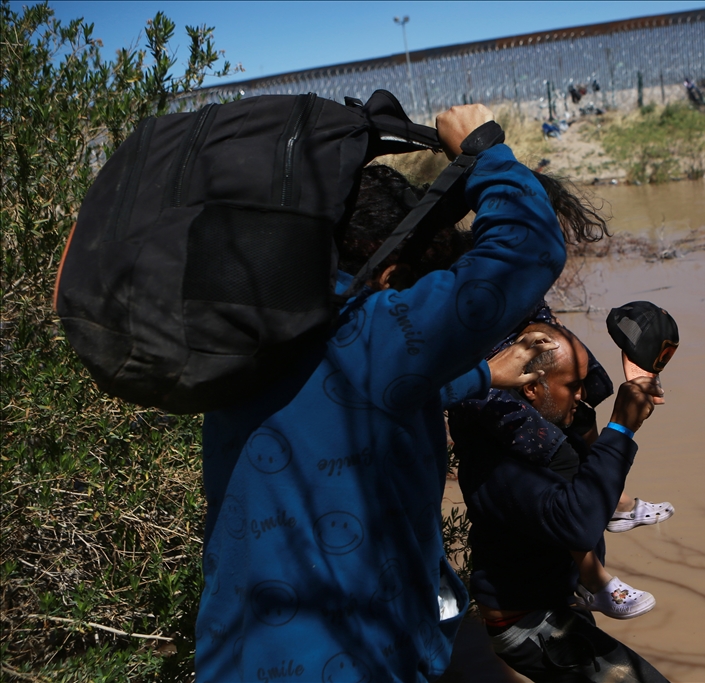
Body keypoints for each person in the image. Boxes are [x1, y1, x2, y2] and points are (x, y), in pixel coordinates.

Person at [194, 104, 573, 682]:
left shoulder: (253, 332)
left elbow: (332, 401)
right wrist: (486, 148)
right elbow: (528, 248)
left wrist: (479, 377)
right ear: (390, 271)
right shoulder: (369, 331)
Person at [449, 323, 670, 682]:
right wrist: (620, 430)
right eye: (572, 385)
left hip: (560, 601)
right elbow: (579, 523)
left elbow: (591, 488)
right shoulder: (502, 462)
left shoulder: (542, 425)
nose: (582, 395)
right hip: (528, 623)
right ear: (532, 387)